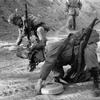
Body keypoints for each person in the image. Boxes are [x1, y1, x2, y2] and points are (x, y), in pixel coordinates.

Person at [35, 18, 100, 96]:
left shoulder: (50, 48)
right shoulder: (48, 54)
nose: (38, 59)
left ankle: (97, 81)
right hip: (75, 56)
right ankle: (58, 77)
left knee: (90, 56)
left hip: (86, 42)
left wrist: (40, 80)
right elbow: (52, 63)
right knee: (73, 78)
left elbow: (49, 63)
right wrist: (57, 77)